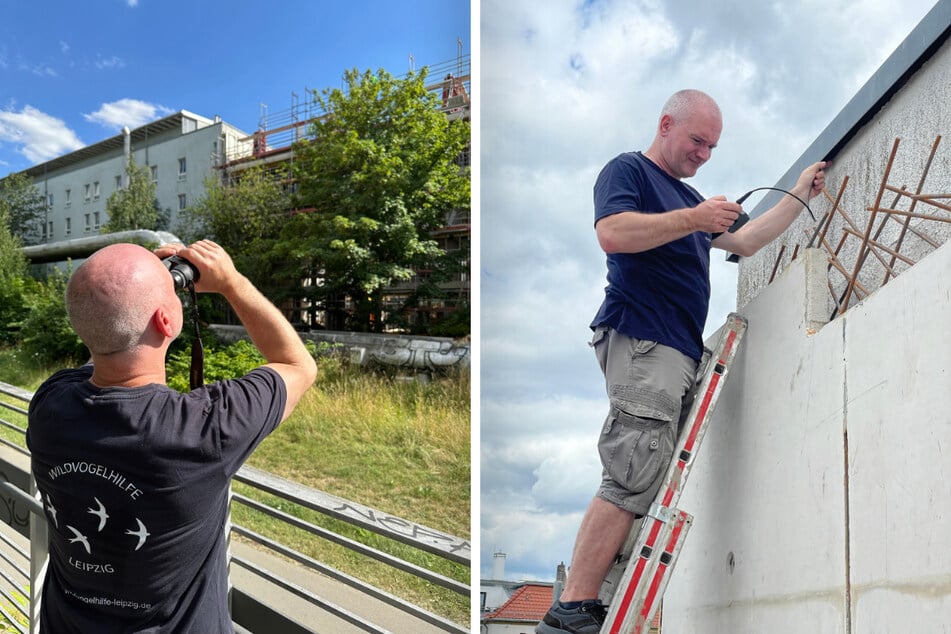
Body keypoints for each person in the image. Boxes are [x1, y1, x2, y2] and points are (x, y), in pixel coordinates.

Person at [536, 89, 826, 634]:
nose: (704, 154)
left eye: (713, 146)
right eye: (698, 141)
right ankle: (571, 609)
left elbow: (748, 240)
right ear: (666, 124)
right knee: (631, 471)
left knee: (643, 475)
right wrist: (695, 216)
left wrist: (798, 193)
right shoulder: (630, 172)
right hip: (645, 339)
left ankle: (590, 603)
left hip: (674, 349)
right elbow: (612, 233)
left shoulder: (690, 201)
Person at [26, 240, 318, 633]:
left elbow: (107, 336)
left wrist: (132, 286)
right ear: (167, 321)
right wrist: (231, 283)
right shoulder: (203, 429)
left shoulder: (49, 406)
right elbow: (296, 364)